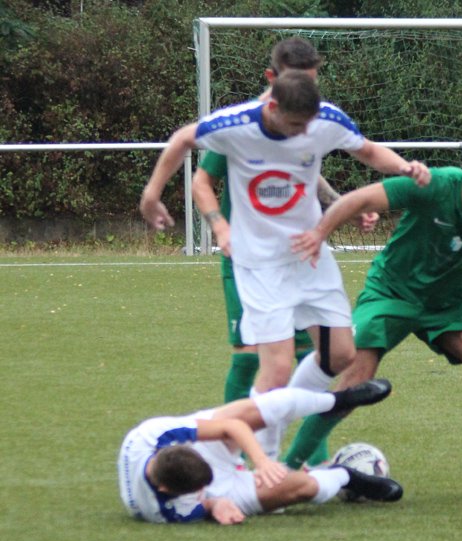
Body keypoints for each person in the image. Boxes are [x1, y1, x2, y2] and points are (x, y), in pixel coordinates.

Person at [141, 68, 429, 458]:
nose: (300, 134)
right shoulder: (236, 124)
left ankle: (276, 419)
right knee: (274, 370)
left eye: (307, 126)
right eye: (294, 125)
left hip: (309, 256)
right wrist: (153, 194)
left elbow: (369, 152)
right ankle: (264, 462)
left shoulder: (323, 119)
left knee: (342, 354)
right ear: (273, 106)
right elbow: (182, 141)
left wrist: (405, 167)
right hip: (260, 265)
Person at [285, 146, 462, 505]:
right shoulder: (435, 184)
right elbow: (359, 199)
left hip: (446, 305)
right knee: (355, 380)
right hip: (391, 292)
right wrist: (320, 233)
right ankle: (287, 472)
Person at [191, 37, 376, 418]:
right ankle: (235, 448)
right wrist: (218, 227)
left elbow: (304, 175)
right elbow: (202, 179)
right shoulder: (243, 124)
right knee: (251, 359)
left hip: (298, 256)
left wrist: (340, 204)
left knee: (316, 356)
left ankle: (301, 458)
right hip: (252, 255)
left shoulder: (301, 118)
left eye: (313, 81)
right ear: (273, 79)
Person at [118, 379, 402, 524]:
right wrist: (215, 504)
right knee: (301, 489)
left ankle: (337, 399)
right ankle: (345, 476)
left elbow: (231, 426)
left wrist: (261, 461)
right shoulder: (162, 511)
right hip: (222, 490)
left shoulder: (149, 436)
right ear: (168, 489)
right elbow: (203, 505)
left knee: (249, 411)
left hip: (205, 450)